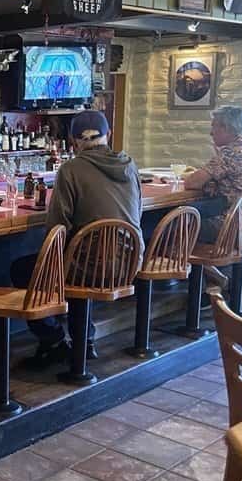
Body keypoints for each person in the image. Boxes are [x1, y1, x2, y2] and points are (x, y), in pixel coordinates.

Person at [11, 110, 143, 369]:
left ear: (73, 141)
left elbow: (56, 227)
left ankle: (55, 340)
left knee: (24, 269)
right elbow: (136, 212)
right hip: (129, 265)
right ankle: (86, 341)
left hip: (91, 268)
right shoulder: (130, 164)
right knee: (83, 260)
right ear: (109, 135)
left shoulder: (71, 169)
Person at [184, 106, 242, 290]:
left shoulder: (230, 152)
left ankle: (214, 281)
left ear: (226, 129)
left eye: (214, 127)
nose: (211, 132)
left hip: (237, 226)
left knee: (178, 227)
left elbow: (192, 183)